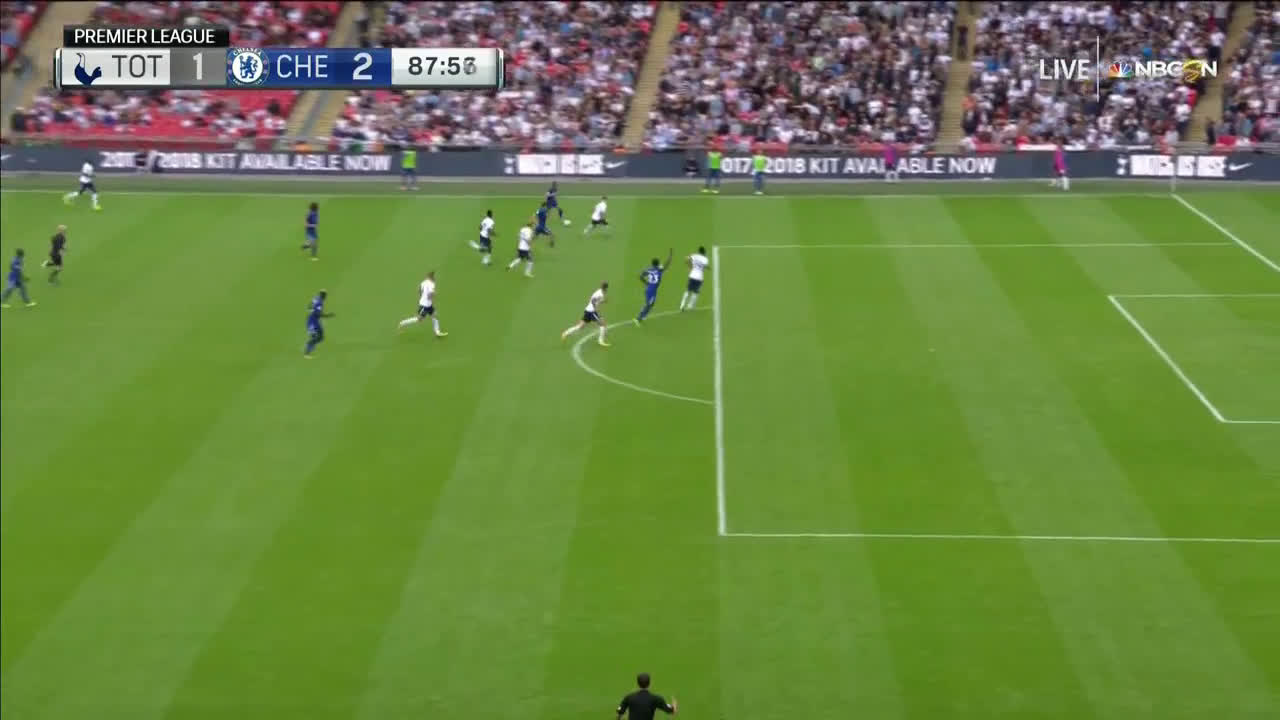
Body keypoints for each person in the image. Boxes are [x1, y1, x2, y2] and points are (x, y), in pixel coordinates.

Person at [397, 271, 447, 337]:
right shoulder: (432, 284)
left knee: (434, 316)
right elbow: (430, 294)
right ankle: (402, 323)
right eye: (434, 277)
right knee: (419, 319)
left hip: (428, 304)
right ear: (431, 277)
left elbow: (419, 290)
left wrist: (422, 297)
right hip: (424, 305)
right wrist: (433, 296)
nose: (435, 278)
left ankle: (437, 332)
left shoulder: (423, 282)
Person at [561, 282, 609, 346]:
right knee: (602, 325)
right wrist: (596, 310)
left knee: (580, 326)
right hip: (592, 311)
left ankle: (566, 333)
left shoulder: (599, 292)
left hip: (588, 310)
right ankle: (601, 341)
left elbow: (595, 300)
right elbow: (593, 301)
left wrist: (602, 301)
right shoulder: (599, 294)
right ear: (606, 288)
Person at [636, 248, 672, 324]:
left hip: (650, 289)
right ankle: (639, 317)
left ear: (652, 264)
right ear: (658, 263)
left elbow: (640, 276)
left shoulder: (649, 269)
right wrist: (670, 256)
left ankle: (643, 316)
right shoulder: (659, 269)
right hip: (652, 290)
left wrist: (646, 283)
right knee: (649, 304)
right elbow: (666, 264)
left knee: (651, 304)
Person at [678, 246, 710, 311]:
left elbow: (686, 259)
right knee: (695, 292)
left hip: (692, 275)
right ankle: (690, 306)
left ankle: (682, 305)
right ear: (704, 252)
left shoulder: (694, 255)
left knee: (688, 290)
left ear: (699, 251)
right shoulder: (705, 259)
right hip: (699, 277)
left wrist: (689, 266)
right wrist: (709, 268)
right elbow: (705, 266)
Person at [303, 290, 333, 358]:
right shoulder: (320, 302)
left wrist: (311, 310)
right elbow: (318, 313)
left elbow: (309, 306)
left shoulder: (316, 298)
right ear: (324, 296)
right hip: (312, 322)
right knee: (316, 337)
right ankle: (307, 353)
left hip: (314, 321)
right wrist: (328, 315)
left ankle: (309, 347)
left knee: (320, 337)